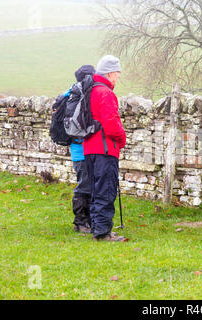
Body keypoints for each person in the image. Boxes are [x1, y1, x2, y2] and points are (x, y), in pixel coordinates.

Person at [83, 55, 127, 242]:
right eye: (117, 73)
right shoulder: (105, 93)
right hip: (105, 149)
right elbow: (111, 123)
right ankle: (102, 232)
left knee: (95, 189)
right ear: (109, 73)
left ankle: (97, 227)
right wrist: (122, 139)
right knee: (106, 189)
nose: (118, 77)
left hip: (89, 149)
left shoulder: (89, 91)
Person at [63, 65, 95, 233]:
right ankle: (81, 222)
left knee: (86, 183)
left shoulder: (70, 92)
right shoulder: (83, 93)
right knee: (85, 185)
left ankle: (86, 220)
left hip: (76, 149)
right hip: (83, 149)